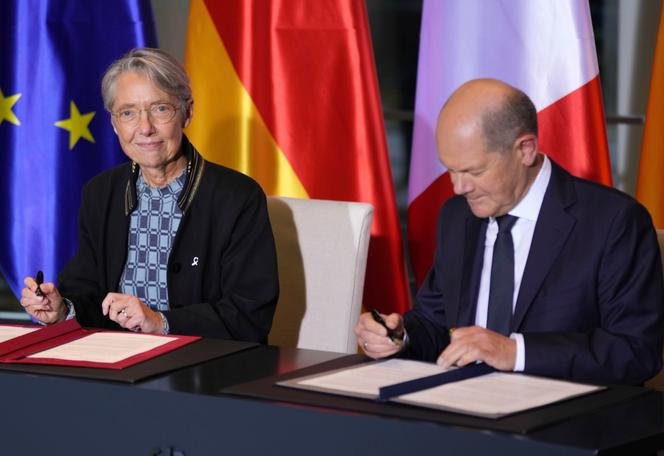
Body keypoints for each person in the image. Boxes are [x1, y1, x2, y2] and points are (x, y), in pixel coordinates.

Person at [355, 78, 664, 385]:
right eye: (449, 169)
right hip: (463, 414)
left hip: (565, 423)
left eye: (474, 171)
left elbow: (636, 351)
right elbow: (437, 325)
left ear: (525, 149)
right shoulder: (455, 216)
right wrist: (401, 335)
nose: (459, 187)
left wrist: (514, 352)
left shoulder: (612, 222)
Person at [20, 48, 278, 341]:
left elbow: (250, 314)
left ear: (187, 112)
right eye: (128, 113)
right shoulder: (101, 192)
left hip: (202, 368)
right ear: (115, 124)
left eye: (160, 109)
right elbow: (86, 290)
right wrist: (61, 308)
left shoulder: (237, 198)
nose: (145, 128)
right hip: (114, 364)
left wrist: (161, 322)